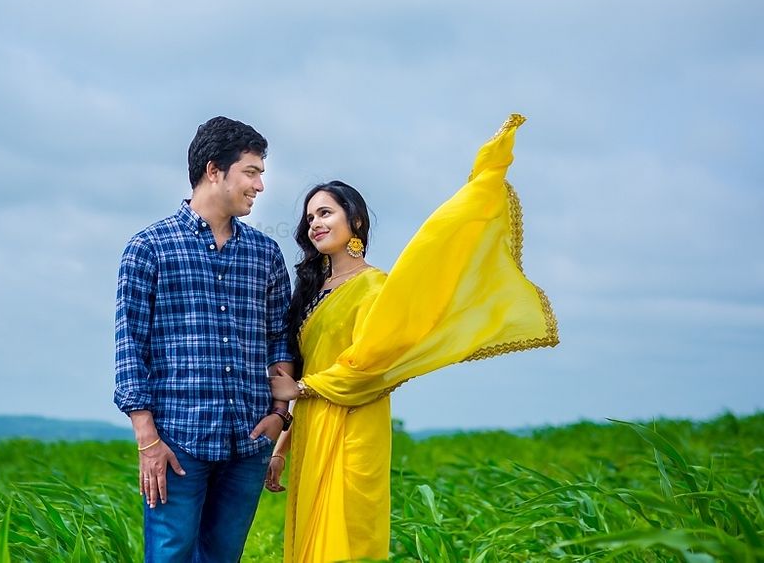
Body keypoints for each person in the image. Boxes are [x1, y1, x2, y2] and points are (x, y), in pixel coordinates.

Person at [267, 114, 559, 562]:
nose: (314, 224)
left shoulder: (376, 288)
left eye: (325, 212)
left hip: (353, 432)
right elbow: (312, 369)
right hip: (312, 431)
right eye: (309, 218)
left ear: (356, 221)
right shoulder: (311, 292)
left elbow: (371, 369)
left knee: (346, 545)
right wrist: (282, 449)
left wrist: (301, 388)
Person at [114, 116, 295, 562]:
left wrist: (279, 415)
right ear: (214, 170)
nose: (260, 185)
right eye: (251, 172)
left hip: (248, 442)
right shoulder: (149, 248)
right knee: (170, 555)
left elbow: (281, 339)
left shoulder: (264, 253)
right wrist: (148, 441)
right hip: (177, 445)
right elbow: (129, 349)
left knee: (223, 557)